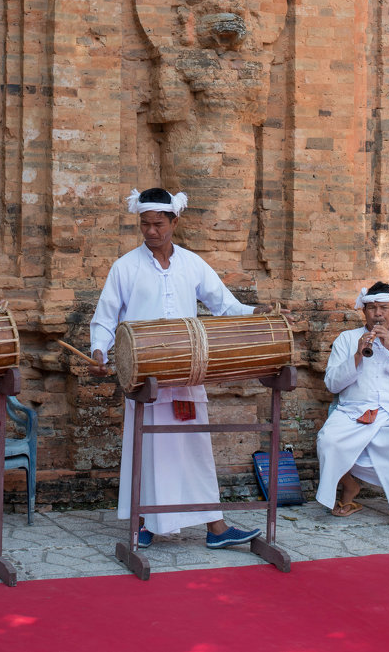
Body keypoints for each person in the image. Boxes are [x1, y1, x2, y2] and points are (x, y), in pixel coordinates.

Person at [88, 188, 276, 550]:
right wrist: (99, 351)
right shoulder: (125, 267)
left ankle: (216, 528)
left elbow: (224, 304)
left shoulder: (192, 264)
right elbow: (105, 318)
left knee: (193, 449)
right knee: (147, 448)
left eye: (158, 224)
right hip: (145, 376)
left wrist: (256, 312)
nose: (151, 232)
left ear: (174, 221)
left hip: (187, 375)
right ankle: (142, 524)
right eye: (145, 225)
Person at [315, 281, 389, 535]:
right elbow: (332, 384)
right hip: (355, 412)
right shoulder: (346, 339)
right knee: (327, 440)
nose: (378, 314)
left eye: (384, 308)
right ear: (363, 312)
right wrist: (357, 355)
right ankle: (350, 487)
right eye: (372, 308)